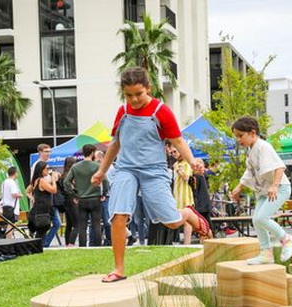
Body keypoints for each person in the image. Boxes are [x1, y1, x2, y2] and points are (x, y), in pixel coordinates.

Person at [91, 66, 212, 283]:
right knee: (118, 215)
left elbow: (177, 141)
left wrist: (193, 162)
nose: (134, 99)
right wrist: (101, 171)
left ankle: (187, 214)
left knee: (171, 222)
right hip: (126, 169)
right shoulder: (123, 111)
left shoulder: (161, 112)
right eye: (129, 95)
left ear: (149, 88)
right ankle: (118, 268)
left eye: (138, 94)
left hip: (153, 172)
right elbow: (115, 143)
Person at [229, 116, 292, 264]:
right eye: (237, 136)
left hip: (279, 188)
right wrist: (240, 186)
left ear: (252, 133)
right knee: (256, 220)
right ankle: (266, 253)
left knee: (261, 218)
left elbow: (279, 166)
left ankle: (287, 240)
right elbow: (250, 172)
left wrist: (274, 186)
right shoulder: (251, 150)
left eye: (241, 135)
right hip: (265, 191)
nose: (238, 140)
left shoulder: (263, 146)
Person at [63, 144, 106, 247]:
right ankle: (98, 246)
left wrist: (74, 194)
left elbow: (66, 182)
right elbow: (106, 181)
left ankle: (82, 246)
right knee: (96, 225)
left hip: (82, 199)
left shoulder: (76, 166)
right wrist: (104, 193)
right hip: (95, 198)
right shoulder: (97, 166)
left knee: (82, 225)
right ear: (92, 153)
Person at [29, 143, 61, 247]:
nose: (49, 154)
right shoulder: (38, 169)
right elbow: (53, 190)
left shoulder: (44, 171)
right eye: (46, 151)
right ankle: (43, 244)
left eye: (49, 151)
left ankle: (41, 244)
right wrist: (53, 179)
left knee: (46, 226)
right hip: (43, 204)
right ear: (40, 152)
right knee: (47, 225)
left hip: (48, 203)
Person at [27, 161, 58, 242]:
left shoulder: (35, 180)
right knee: (41, 232)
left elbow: (27, 191)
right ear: (41, 170)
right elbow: (54, 190)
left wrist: (32, 198)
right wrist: (54, 180)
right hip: (42, 211)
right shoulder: (41, 181)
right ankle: (40, 246)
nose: (48, 170)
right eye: (47, 169)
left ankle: (39, 246)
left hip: (39, 209)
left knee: (41, 231)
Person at [171, 146, 195, 245]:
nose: (173, 154)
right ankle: (177, 240)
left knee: (187, 220)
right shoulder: (175, 164)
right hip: (176, 195)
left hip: (185, 195)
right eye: (172, 152)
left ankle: (187, 243)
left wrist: (180, 172)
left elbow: (188, 178)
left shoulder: (187, 164)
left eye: (175, 151)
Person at [59, 157, 78, 246]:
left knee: (69, 225)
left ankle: (67, 244)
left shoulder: (62, 175)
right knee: (77, 225)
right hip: (72, 200)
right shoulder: (71, 176)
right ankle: (71, 243)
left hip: (66, 202)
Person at [0, 167, 22, 238]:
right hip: (12, 207)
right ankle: (9, 240)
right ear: (15, 173)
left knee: (9, 224)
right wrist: (20, 195)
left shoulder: (4, 182)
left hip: (5, 205)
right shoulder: (12, 182)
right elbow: (14, 194)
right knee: (11, 225)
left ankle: (8, 239)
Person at [192, 158, 212, 229]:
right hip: (205, 205)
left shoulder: (198, 177)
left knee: (204, 226)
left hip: (201, 205)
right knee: (207, 224)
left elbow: (195, 190)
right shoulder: (204, 176)